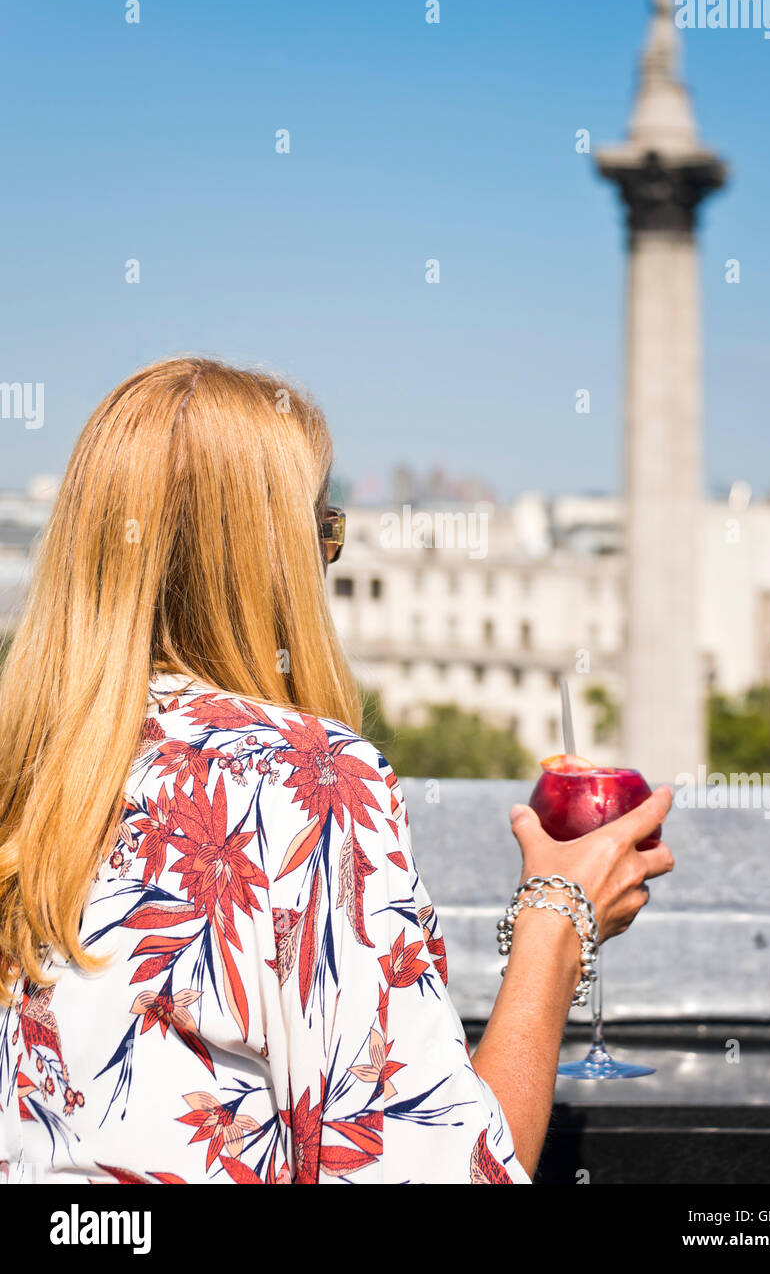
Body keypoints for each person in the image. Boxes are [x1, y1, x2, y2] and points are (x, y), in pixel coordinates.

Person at [0, 357, 673, 1185]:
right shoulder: (300, 780)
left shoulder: (28, 758)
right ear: (272, 562)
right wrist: (557, 917)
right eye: (323, 532)